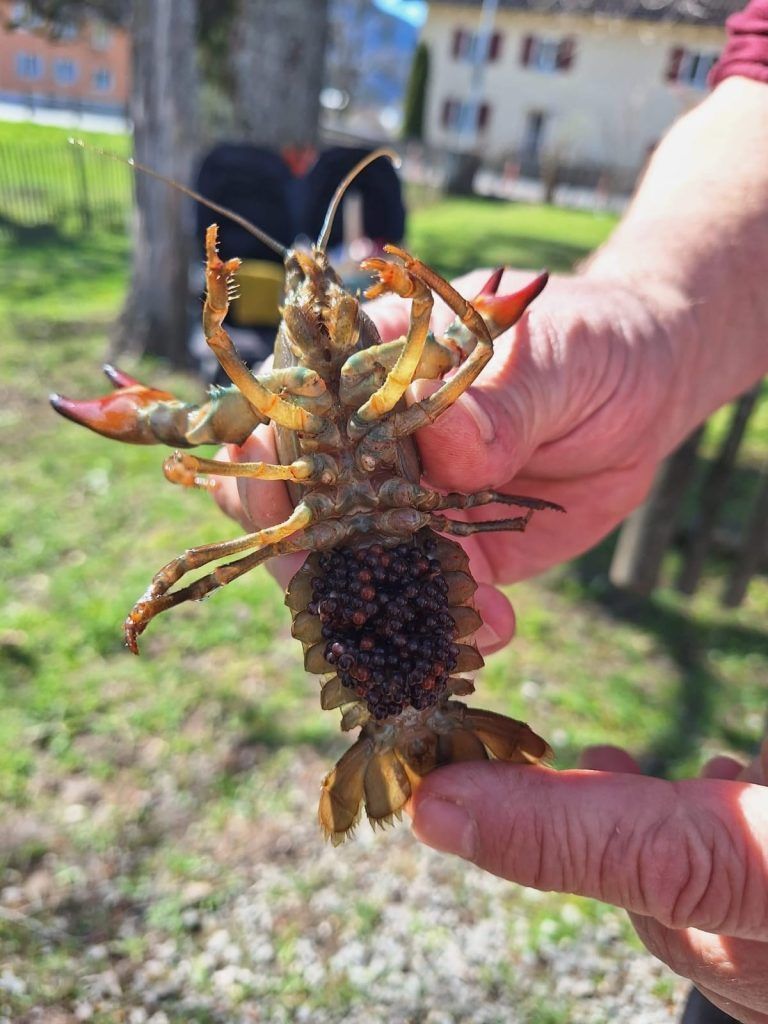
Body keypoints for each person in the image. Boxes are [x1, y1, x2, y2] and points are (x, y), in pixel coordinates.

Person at [212, 7, 768, 1021]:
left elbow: (457, 344)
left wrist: (416, 302)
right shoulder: (304, 386)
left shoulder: (371, 375)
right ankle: (399, 729)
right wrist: (649, 321)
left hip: (356, 546)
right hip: (376, 546)